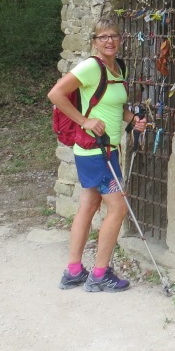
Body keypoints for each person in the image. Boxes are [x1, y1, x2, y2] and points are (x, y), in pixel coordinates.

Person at [48, 17, 134, 293]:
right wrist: (83, 121)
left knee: (88, 205)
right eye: (103, 37)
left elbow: (111, 107)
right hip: (96, 150)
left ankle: (73, 271)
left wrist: (132, 119)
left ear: (120, 40)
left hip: (105, 148)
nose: (109, 41)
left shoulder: (117, 68)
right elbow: (56, 94)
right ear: (94, 42)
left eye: (114, 36)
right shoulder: (90, 67)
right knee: (118, 207)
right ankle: (100, 274)